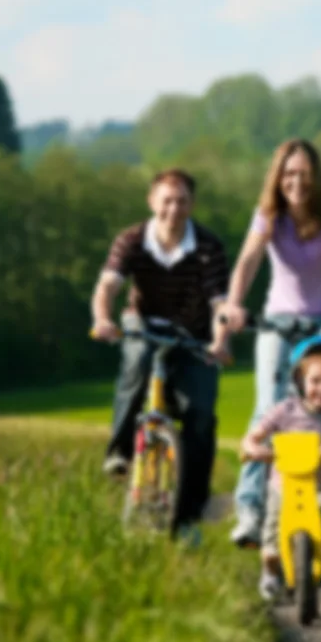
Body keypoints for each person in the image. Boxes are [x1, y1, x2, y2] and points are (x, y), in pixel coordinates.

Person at [222, 138, 321, 547]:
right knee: (268, 408)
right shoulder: (268, 214)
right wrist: (234, 304)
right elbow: (248, 262)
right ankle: (251, 510)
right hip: (280, 319)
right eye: (289, 174)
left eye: (305, 174)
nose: (297, 182)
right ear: (278, 177)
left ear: (317, 176)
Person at [90, 168, 231, 538]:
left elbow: (220, 303)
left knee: (200, 414)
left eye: (182, 201)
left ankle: (191, 511)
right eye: (166, 200)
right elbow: (107, 286)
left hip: (194, 334)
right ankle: (119, 452)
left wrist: (220, 341)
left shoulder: (208, 246)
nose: (173, 209)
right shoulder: (132, 240)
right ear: (152, 202)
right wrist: (103, 318)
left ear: (192, 204)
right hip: (144, 324)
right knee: (137, 361)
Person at [242, 337, 321, 606]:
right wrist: (253, 448)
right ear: (299, 380)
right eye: (315, 381)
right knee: (272, 543)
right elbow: (255, 435)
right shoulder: (284, 410)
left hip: (320, 486)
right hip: (283, 487)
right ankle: (270, 575)